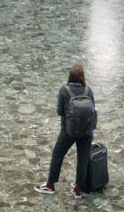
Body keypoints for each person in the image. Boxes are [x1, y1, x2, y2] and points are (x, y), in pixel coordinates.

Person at [34, 63, 97, 199]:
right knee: (83, 159)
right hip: (86, 132)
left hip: (68, 131)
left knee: (57, 154)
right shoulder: (89, 90)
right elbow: (93, 111)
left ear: (70, 76)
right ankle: (78, 190)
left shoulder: (64, 90)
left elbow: (59, 112)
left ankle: (50, 186)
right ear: (82, 76)